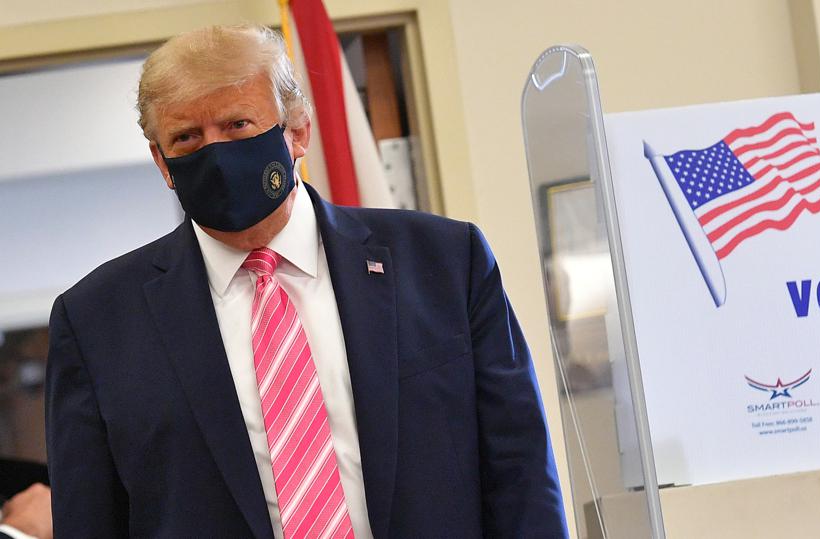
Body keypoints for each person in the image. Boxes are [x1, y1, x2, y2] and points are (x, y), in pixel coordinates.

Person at [45, 24, 567, 538]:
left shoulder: (445, 261)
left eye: (237, 125)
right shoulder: (96, 323)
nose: (215, 154)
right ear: (162, 161)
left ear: (296, 131)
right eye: (187, 137)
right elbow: (88, 519)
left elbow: (520, 468)